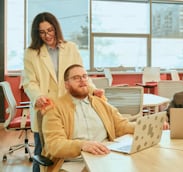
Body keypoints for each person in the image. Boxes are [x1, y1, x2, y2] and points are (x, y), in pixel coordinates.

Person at [22, 12, 104, 172]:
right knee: (43, 152)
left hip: (69, 106)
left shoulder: (71, 48)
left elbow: (81, 73)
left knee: (67, 149)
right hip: (46, 108)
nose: (47, 35)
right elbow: (29, 81)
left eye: (50, 30)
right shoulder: (31, 53)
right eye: (42, 32)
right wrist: (37, 96)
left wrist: (93, 90)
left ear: (56, 29)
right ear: (36, 33)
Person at [40, 64, 135, 172]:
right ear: (66, 84)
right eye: (76, 78)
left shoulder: (100, 102)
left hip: (104, 158)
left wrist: (143, 126)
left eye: (85, 76)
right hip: (73, 164)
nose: (82, 80)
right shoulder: (55, 108)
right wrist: (82, 145)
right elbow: (55, 144)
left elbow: (121, 125)